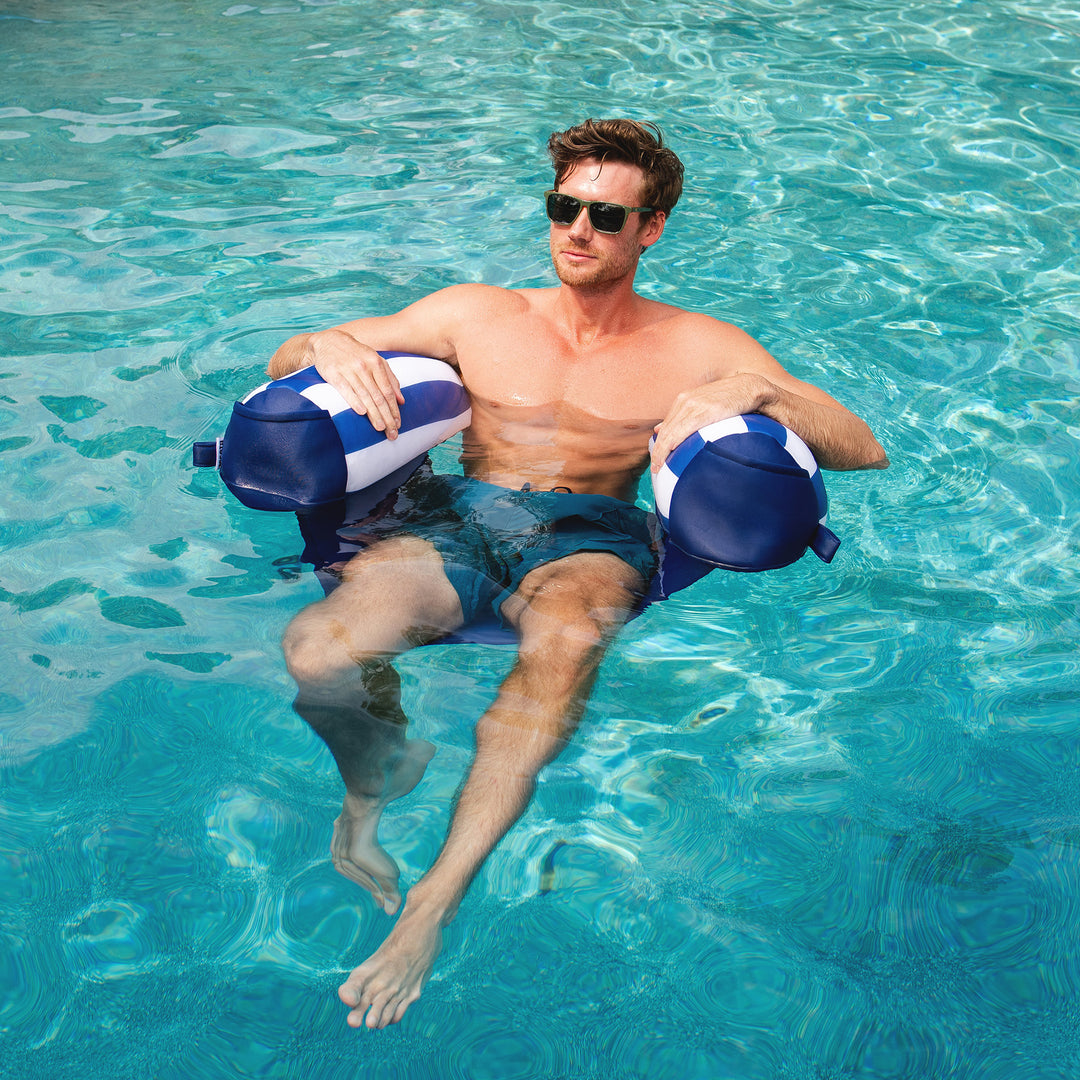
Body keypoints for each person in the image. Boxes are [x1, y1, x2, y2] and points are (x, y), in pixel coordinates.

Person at [267, 118, 888, 1030]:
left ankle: (435, 904)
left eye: (606, 215)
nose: (578, 230)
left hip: (590, 538)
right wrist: (327, 344)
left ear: (652, 230)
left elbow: (860, 447)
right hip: (460, 516)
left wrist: (759, 392)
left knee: (559, 649)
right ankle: (375, 780)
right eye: (565, 207)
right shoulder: (476, 313)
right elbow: (290, 358)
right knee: (318, 651)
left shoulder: (700, 344)